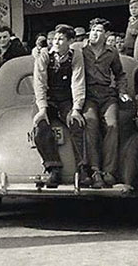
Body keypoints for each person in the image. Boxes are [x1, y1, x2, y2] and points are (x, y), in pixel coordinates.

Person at [32, 24, 87, 187]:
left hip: (65, 99)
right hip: (47, 99)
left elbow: (78, 81)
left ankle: (82, 169)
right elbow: (39, 82)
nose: (56, 42)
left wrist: (76, 109)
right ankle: (53, 168)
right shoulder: (44, 55)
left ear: (70, 41)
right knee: (40, 126)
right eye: (55, 38)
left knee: (77, 125)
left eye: (61, 39)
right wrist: (42, 109)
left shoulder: (75, 56)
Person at [81, 18, 130, 188]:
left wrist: (122, 92)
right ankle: (95, 171)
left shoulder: (112, 52)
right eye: (93, 30)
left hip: (107, 94)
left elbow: (120, 74)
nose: (95, 33)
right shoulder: (81, 49)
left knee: (113, 125)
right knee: (91, 124)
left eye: (99, 30)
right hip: (87, 95)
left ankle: (109, 171)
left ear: (106, 34)